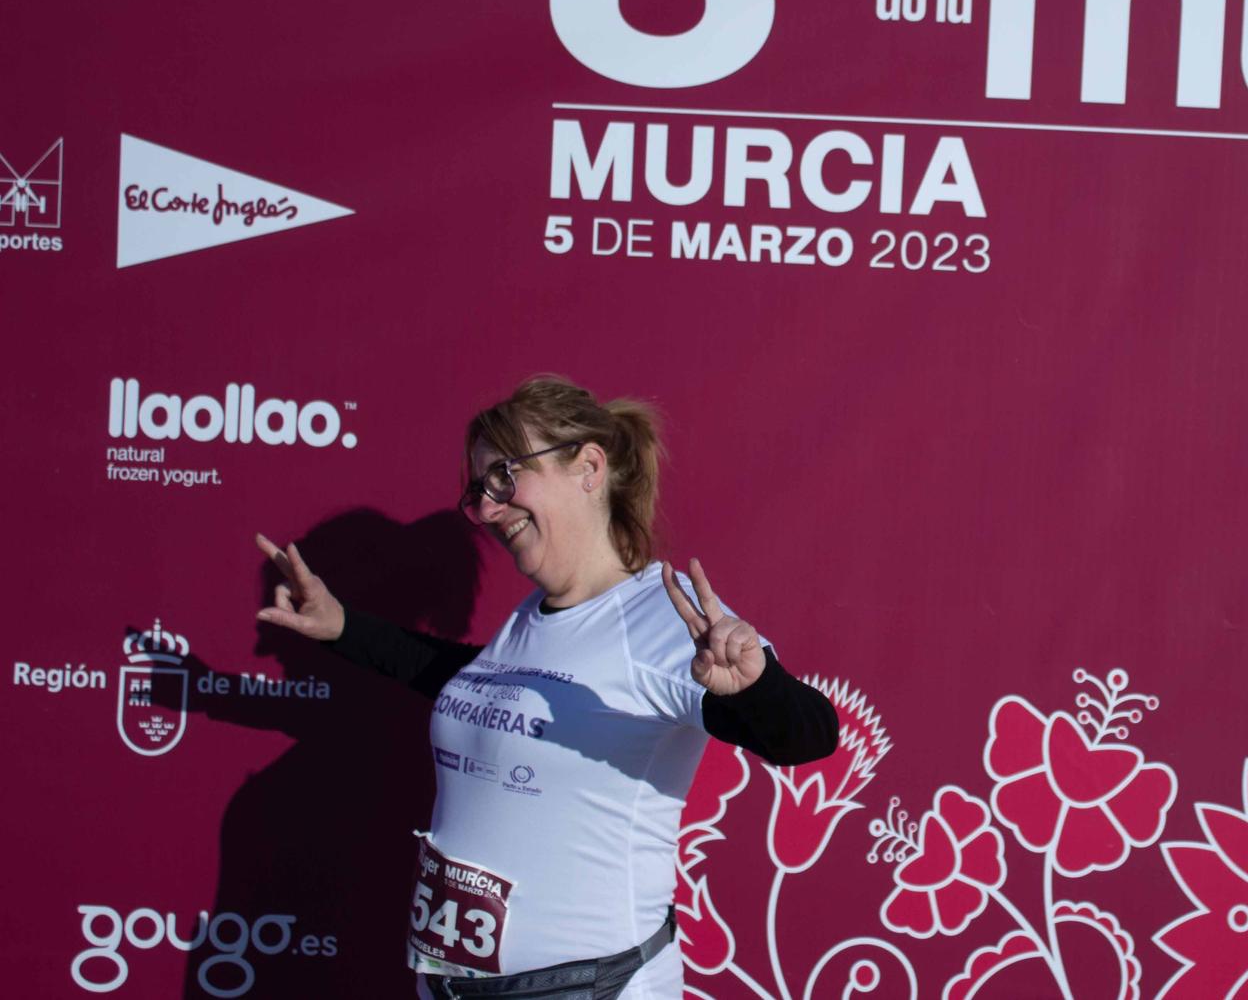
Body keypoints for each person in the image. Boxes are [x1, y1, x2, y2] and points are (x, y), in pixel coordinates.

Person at [254, 375, 839, 1000]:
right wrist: (342, 626)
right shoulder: (530, 620)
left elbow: (807, 735)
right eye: (478, 493)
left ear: (589, 467)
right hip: (450, 987)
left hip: (590, 988)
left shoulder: (662, 618)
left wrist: (753, 688)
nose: (486, 509)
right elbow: (464, 681)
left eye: (503, 478)